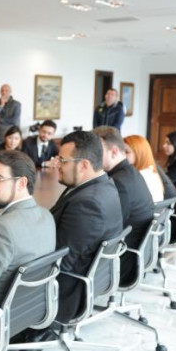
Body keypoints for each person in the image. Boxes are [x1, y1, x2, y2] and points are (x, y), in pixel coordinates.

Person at [0, 151, 55, 345]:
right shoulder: (46, 217)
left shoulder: (2, 229)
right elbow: (10, 261)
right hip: (24, 315)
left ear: (21, 183)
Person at [50, 131, 123, 324]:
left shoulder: (87, 204)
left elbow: (61, 263)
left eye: (62, 160)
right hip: (90, 280)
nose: (57, 165)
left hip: (64, 293)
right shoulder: (105, 186)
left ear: (83, 165)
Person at [93, 127, 154, 285]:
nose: (94, 157)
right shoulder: (131, 172)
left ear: (113, 151)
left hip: (122, 260)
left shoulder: (118, 181)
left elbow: (109, 229)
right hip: (135, 251)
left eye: (98, 152)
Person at [123, 134, 174, 202]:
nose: (122, 155)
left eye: (126, 152)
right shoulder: (150, 172)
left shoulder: (139, 177)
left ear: (139, 154)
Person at [0, 84, 21, 151]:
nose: (4, 92)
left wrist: (0, 119)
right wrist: (1, 106)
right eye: (2, 90)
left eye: (6, 90)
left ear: (10, 91)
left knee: (10, 159)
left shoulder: (16, 104)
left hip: (11, 138)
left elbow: (15, 121)